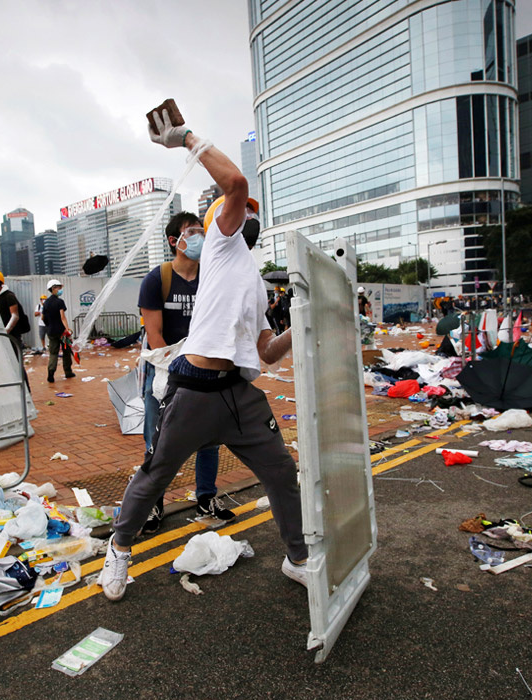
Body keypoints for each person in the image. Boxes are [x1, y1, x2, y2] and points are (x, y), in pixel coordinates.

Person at [98, 108, 306, 601]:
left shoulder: (253, 282)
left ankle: (299, 558)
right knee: (156, 475)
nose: (247, 213)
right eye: (241, 209)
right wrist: (184, 138)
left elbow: (267, 353)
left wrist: (303, 320)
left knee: (281, 473)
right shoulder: (220, 244)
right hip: (193, 391)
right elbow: (233, 182)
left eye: (252, 210)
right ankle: (119, 550)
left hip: (239, 395)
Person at [136, 211, 233, 533]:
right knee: (158, 440)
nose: (199, 237)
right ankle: (153, 503)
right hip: (165, 370)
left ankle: (206, 497)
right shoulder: (157, 279)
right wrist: (175, 374)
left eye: (201, 231)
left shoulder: (213, 275)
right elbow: (155, 335)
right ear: (174, 241)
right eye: (192, 231)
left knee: (209, 439)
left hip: (205, 369)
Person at [0, 269, 30, 351]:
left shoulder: (8, 296)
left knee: (14, 357)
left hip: (12, 334)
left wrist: (6, 331)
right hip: (2, 333)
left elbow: (15, 316)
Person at [42, 279, 74, 383]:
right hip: (61, 331)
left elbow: (43, 318)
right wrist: (67, 328)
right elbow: (62, 317)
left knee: (53, 353)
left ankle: (51, 373)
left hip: (51, 332)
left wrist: (49, 325)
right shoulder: (60, 302)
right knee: (66, 351)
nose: (60, 290)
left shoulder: (46, 303)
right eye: (58, 287)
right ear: (53, 288)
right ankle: (68, 372)